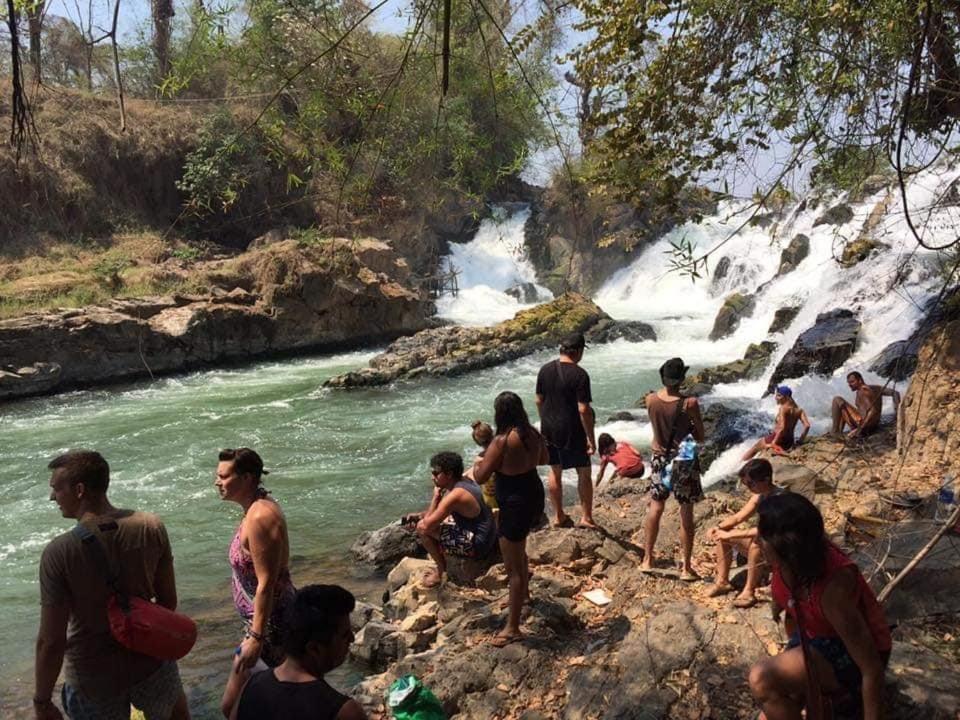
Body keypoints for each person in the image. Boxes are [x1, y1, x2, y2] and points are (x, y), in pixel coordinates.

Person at [34, 450, 190, 720]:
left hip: (93, 681)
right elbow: (168, 603)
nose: (52, 497)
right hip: (151, 664)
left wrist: (42, 701)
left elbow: (51, 641)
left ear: (80, 490)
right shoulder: (150, 526)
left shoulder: (59, 553)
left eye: (56, 489)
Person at [749, 492, 890, 720]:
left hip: (848, 652)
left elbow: (871, 667)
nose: (756, 541)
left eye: (762, 535)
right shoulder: (787, 562)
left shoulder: (833, 589)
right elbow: (793, 615)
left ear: (784, 544)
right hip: (813, 637)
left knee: (762, 679)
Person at [217, 448, 296, 717]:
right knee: (266, 703)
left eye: (223, 476)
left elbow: (267, 583)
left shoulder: (261, 517)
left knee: (234, 706)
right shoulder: (254, 509)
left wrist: (256, 637)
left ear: (248, 478)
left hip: (271, 627)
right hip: (262, 624)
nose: (217, 482)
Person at [475, 391, 549, 647]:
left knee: (513, 568)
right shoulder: (533, 433)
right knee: (521, 548)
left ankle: (513, 627)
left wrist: (477, 465)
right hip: (533, 493)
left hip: (513, 501)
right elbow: (544, 459)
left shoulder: (502, 441)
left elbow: (481, 477)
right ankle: (524, 596)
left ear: (499, 414)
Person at [230, 584, 367, 720]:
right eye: (344, 635)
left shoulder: (250, 687)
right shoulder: (344, 712)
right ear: (314, 649)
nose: (352, 638)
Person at [641, 357, 706, 580]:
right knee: (685, 512)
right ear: (681, 379)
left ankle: (647, 559)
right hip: (684, 461)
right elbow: (700, 435)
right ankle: (686, 568)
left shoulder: (650, 400)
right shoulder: (690, 404)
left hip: (659, 457)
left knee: (655, 507)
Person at [535, 332, 597, 528]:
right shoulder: (580, 375)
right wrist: (591, 438)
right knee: (584, 472)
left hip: (549, 427)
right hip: (572, 429)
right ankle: (586, 517)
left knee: (555, 471)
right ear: (578, 351)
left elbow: (539, 400)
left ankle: (559, 515)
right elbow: (584, 409)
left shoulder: (545, 370)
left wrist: (545, 420)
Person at [408, 451, 497, 587]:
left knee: (420, 527)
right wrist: (422, 514)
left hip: (478, 545)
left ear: (449, 474)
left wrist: (436, 497)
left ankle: (441, 569)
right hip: (488, 534)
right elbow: (439, 514)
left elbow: (427, 527)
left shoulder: (455, 495)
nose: (433, 478)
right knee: (431, 519)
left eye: (436, 473)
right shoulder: (466, 480)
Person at [705, 458, 783, 608]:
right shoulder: (759, 496)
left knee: (756, 544)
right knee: (723, 535)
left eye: (750, 483)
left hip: (779, 550)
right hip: (765, 546)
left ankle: (749, 591)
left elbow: (765, 530)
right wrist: (719, 527)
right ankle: (722, 582)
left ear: (766, 479)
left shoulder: (779, 498)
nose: (747, 487)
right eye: (746, 483)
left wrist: (731, 535)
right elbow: (739, 517)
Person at [743, 386, 811, 460]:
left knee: (756, 447)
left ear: (787, 397)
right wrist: (801, 440)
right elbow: (807, 426)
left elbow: (782, 427)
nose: (776, 397)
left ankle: (741, 463)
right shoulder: (799, 410)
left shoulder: (783, 408)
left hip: (779, 439)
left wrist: (774, 443)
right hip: (789, 441)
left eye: (779, 395)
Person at [831, 371, 901, 439]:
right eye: (848, 383)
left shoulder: (862, 391)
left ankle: (835, 432)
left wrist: (860, 429)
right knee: (843, 406)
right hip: (874, 425)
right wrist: (898, 414)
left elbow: (872, 411)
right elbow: (895, 393)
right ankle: (839, 431)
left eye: (852, 382)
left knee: (837, 400)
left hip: (864, 427)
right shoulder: (876, 388)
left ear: (860, 380)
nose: (850, 385)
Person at [464, 420, 498, 512]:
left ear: (477, 442)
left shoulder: (480, 459)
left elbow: (477, 478)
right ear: (492, 434)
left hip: (490, 499)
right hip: (506, 494)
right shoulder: (502, 451)